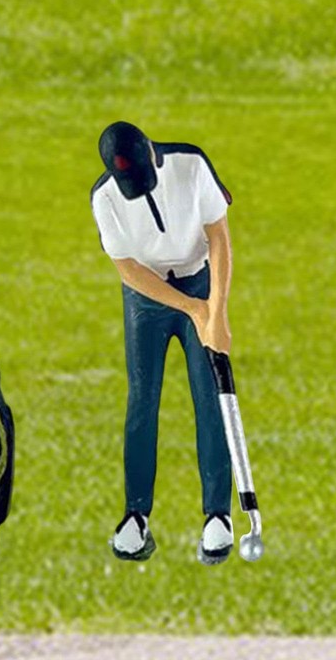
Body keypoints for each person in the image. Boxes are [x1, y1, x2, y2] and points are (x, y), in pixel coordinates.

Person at [90, 121, 235, 565]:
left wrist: (216, 312)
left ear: (152, 155)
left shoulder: (191, 163)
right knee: (142, 400)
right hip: (146, 296)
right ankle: (136, 515)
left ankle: (218, 514)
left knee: (210, 396)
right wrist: (192, 310)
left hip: (199, 278)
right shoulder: (104, 197)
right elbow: (128, 269)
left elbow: (219, 236)